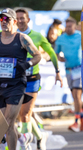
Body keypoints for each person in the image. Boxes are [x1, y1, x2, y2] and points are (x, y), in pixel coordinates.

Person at [16, 8, 63, 150]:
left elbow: (51, 53)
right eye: (17, 18)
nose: (20, 20)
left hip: (32, 80)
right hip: (16, 80)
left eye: (22, 18)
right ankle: (40, 137)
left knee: (24, 115)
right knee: (22, 116)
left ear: (28, 20)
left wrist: (57, 72)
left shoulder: (36, 36)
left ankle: (25, 146)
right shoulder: (10, 36)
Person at [0, 8, 41, 150]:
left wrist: (27, 64)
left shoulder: (22, 38)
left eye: (7, 19)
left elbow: (38, 56)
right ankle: (24, 137)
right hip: (0, 85)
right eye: (1, 19)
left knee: (8, 122)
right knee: (4, 126)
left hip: (16, 85)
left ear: (15, 22)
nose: (3, 22)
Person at [55, 17, 83, 132]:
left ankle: (76, 122)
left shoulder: (80, 36)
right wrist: (60, 58)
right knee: (75, 97)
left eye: (70, 26)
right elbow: (56, 53)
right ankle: (82, 116)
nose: (68, 28)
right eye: (66, 26)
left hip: (79, 69)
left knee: (77, 95)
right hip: (68, 70)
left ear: (74, 26)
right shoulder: (60, 39)